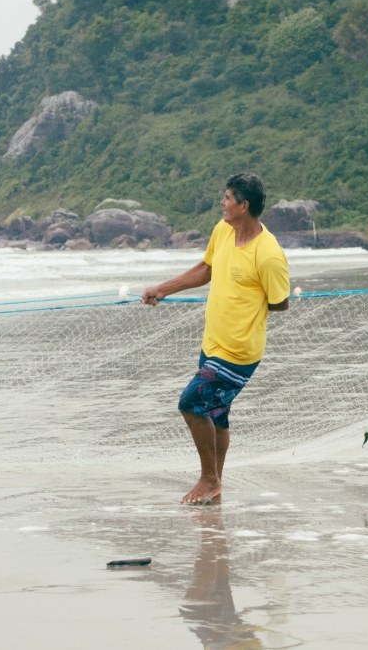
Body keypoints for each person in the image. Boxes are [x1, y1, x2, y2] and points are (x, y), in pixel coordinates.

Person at [142, 173, 290, 505]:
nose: (222, 203)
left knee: (191, 404)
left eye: (227, 198)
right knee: (217, 413)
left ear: (244, 206)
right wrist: (163, 289)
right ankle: (216, 483)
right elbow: (206, 269)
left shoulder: (268, 254)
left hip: (239, 351)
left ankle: (208, 479)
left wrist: (247, 309)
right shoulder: (223, 230)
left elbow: (280, 302)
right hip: (213, 344)